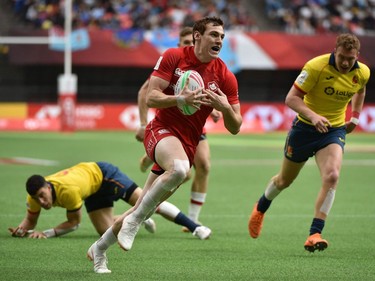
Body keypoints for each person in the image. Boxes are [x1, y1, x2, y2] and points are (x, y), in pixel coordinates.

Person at [87, 16, 242, 274]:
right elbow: (151, 97)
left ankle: (99, 249)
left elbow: (236, 126)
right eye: (214, 34)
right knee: (181, 170)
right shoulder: (173, 56)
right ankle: (136, 221)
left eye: (222, 36)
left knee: (143, 206)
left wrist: (225, 107)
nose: (219, 40)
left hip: (187, 143)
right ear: (197, 36)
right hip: (160, 131)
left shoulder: (225, 75)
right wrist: (180, 98)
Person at [248, 33, 370, 253]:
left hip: (333, 131)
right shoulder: (316, 66)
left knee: (332, 175)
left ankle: (315, 233)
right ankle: (261, 207)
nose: (344, 63)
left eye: (350, 59)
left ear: (357, 56)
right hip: (304, 129)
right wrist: (313, 116)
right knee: (284, 180)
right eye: (341, 57)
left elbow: (360, 90)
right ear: (335, 51)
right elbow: (291, 98)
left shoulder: (363, 72)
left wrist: (355, 117)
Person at [135, 26, 222, 229]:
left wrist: (215, 109)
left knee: (204, 166)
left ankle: (193, 218)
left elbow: (205, 93)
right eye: (186, 43)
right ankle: (145, 202)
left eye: (192, 43)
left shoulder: (206, 67)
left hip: (194, 127)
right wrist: (141, 124)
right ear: (179, 45)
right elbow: (144, 93)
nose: (191, 46)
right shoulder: (173, 64)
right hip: (170, 126)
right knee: (183, 172)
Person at [8, 162, 211, 244]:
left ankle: (195, 227)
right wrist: (22, 230)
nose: (42, 202)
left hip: (104, 175)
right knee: (105, 230)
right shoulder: (33, 196)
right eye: (37, 199)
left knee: (150, 202)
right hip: (91, 191)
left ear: (48, 186)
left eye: (43, 195)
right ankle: (139, 219)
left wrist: (47, 233)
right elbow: (30, 220)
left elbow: (74, 223)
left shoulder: (67, 191)